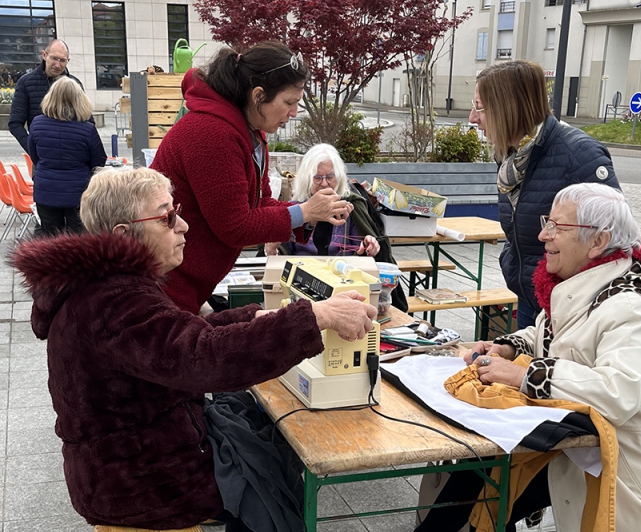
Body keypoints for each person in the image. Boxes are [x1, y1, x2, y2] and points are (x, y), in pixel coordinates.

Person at [10, 167, 377, 530]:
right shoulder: (114, 301)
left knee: (263, 439)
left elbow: (182, 337)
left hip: (129, 460)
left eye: (178, 212)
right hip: (140, 484)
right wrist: (312, 317)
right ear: (125, 235)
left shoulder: (107, 287)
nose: (183, 226)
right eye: (167, 217)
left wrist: (259, 317)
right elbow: (203, 358)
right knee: (268, 471)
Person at [417, 183, 641, 532]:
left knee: (488, 482)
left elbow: (617, 393)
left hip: (635, 473)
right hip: (583, 448)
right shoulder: (583, 285)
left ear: (598, 241)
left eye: (557, 227)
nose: (542, 235)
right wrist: (508, 347)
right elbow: (547, 336)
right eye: (546, 222)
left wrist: (524, 376)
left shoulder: (630, 308)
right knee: (483, 478)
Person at [151, 41, 352, 314]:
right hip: (165, 285)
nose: (293, 113)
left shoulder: (250, 134)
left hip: (186, 283)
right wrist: (303, 211)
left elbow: (261, 204)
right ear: (258, 96)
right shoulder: (212, 133)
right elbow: (234, 225)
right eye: (289, 102)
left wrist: (313, 213)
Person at [468, 60, 621, 329]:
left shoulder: (579, 155)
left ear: (507, 108)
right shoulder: (512, 159)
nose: (472, 117)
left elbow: (614, 238)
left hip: (572, 311)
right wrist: (514, 263)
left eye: (479, 107)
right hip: (531, 300)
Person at [27, 77, 107, 236]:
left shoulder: (36, 123)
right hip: (78, 193)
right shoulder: (87, 129)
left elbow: (34, 156)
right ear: (79, 100)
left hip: (45, 191)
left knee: (50, 241)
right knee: (78, 243)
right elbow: (99, 162)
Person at [269, 143, 380, 257]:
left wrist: (369, 245)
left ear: (338, 178)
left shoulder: (350, 207)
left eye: (330, 177)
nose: (324, 183)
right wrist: (273, 251)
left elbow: (361, 250)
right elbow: (279, 252)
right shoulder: (296, 209)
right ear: (307, 179)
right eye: (317, 177)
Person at [9, 39, 90, 152]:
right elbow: (15, 123)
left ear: (68, 61)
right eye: (54, 58)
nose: (57, 65)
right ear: (44, 55)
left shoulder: (75, 84)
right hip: (41, 158)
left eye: (62, 60)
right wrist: (33, 150)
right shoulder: (26, 82)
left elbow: (88, 120)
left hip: (72, 155)